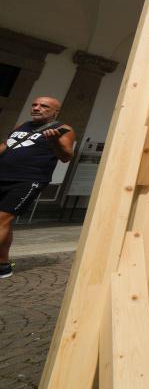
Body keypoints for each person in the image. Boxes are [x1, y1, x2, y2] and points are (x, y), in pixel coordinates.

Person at [0, 97, 74, 278]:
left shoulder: (63, 129)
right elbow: (5, 145)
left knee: (1, 220)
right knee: (5, 223)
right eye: (35, 104)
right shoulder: (22, 126)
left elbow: (66, 156)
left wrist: (54, 141)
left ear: (55, 111)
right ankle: (3, 265)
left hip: (28, 180)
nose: (37, 108)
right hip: (3, 175)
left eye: (44, 106)